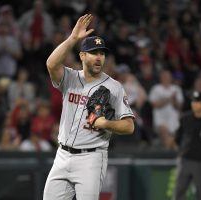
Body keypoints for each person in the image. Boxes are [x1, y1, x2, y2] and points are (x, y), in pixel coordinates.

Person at [43, 14, 135, 200]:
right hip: (62, 154)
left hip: (91, 158)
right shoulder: (70, 78)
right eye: (94, 52)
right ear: (82, 55)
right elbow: (51, 64)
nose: (99, 57)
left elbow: (129, 126)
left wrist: (105, 123)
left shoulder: (114, 87)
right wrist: (73, 39)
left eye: (102, 53)